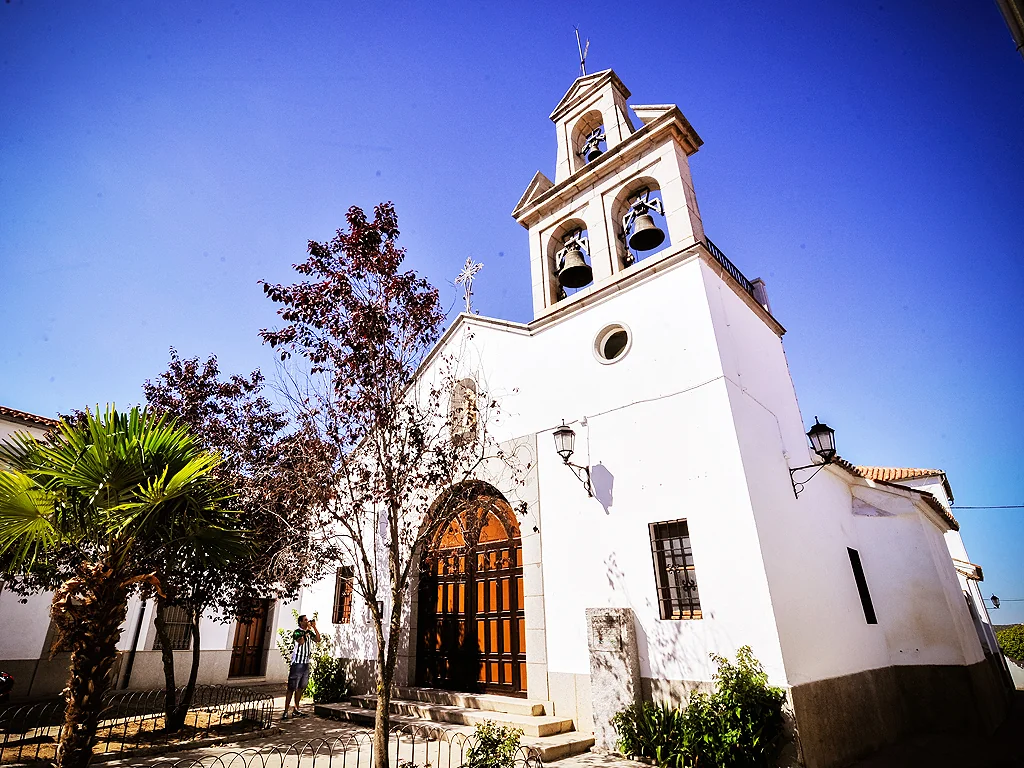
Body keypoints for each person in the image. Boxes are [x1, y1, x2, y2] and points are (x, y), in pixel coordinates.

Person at [283, 614, 320, 719]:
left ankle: (296, 709)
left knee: (300, 687)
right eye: (305, 620)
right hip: (297, 663)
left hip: (305, 663)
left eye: (307, 620)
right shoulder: (297, 632)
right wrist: (306, 631)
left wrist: (314, 627)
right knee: (291, 688)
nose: (307, 621)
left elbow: (318, 639)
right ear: (300, 622)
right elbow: (301, 641)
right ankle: (285, 711)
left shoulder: (309, 632)